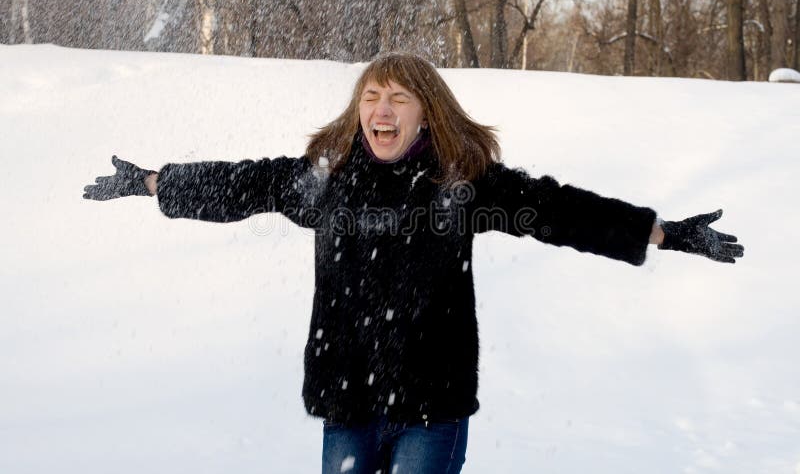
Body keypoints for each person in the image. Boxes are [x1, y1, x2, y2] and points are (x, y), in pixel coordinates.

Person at [83, 52, 744, 474]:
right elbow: (242, 185)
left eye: (398, 97)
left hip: (432, 402)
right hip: (348, 399)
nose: (382, 109)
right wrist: (152, 182)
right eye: (372, 96)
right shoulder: (325, 181)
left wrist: (666, 234)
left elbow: (557, 209)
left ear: (427, 112)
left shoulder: (464, 185)